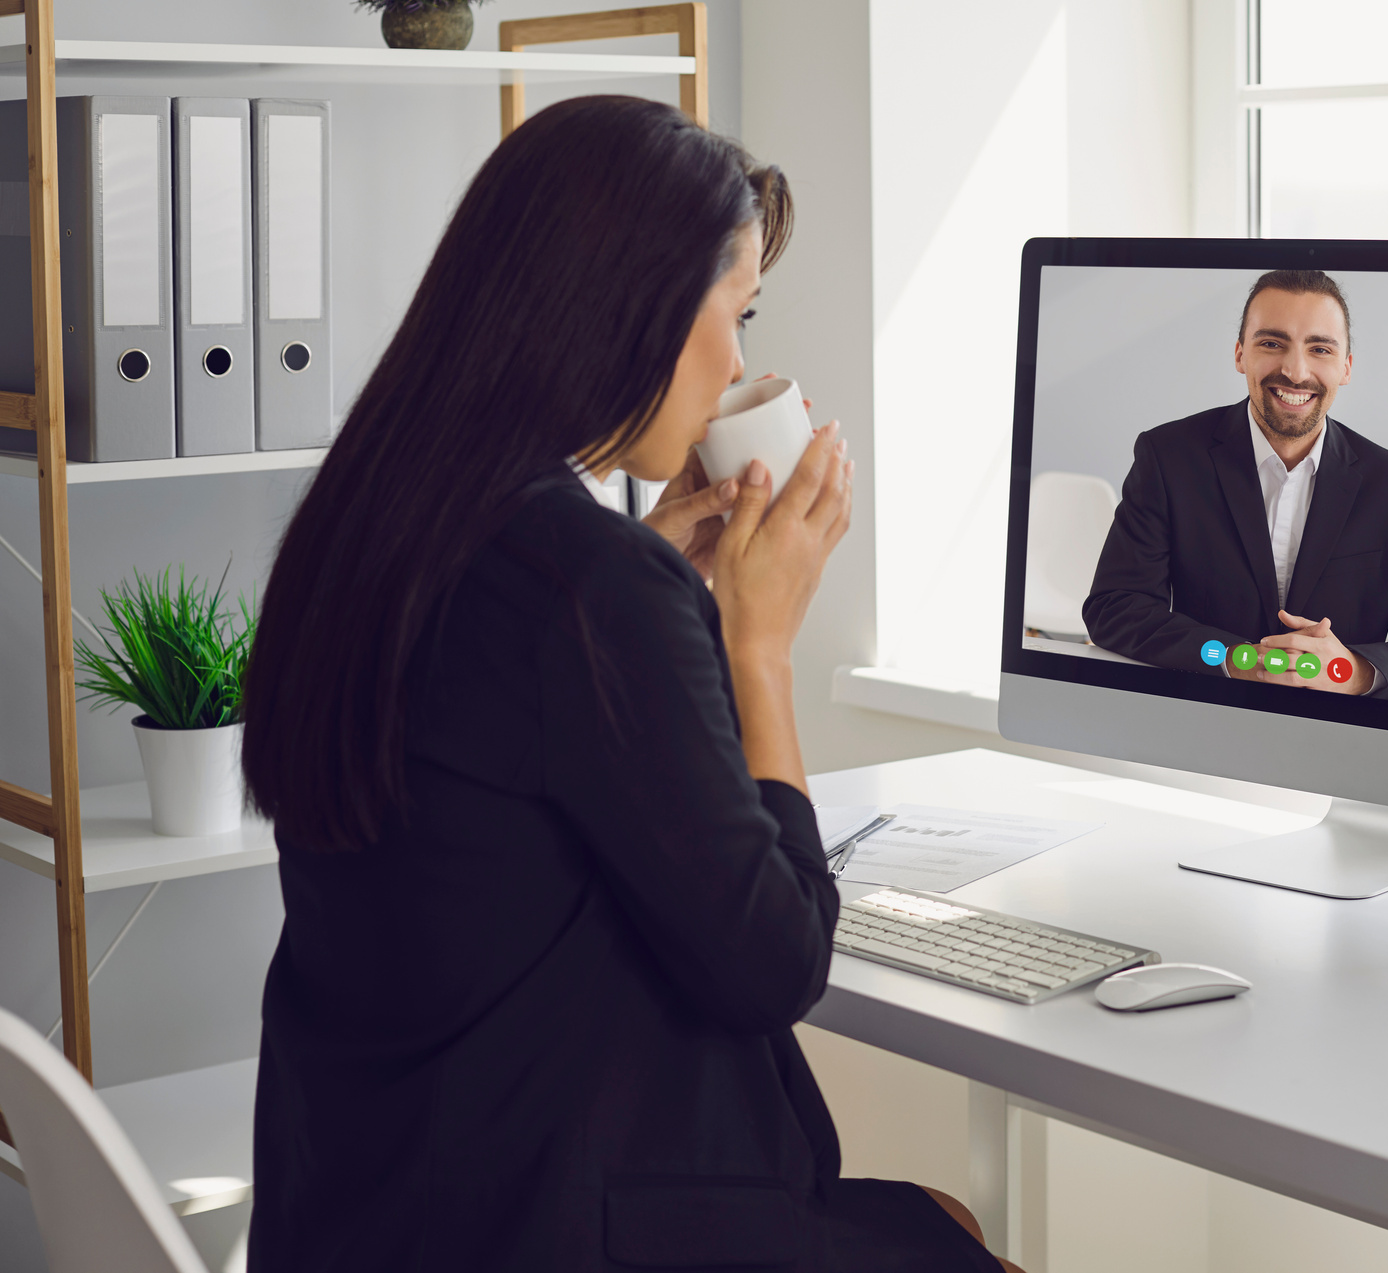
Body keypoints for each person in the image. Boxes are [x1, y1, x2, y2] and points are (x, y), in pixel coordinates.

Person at [241, 96, 1020, 1273]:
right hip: (543, 1224)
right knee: (948, 1235)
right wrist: (757, 644)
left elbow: (515, 757)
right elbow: (776, 963)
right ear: (632, 304)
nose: (741, 364)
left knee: (933, 1220)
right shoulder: (590, 589)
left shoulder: (371, 523)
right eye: (735, 312)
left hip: (368, 1210)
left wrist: (652, 592)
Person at [1082, 269, 1388, 701]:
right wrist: (1236, 659)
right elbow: (1115, 607)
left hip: (1340, 732)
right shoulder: (1168, 457)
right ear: (1240, 354)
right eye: (1272, 344)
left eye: (1320, 349)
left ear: (1346, 367)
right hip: (1202, 715)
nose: (1295, 371)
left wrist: (1349, 671)